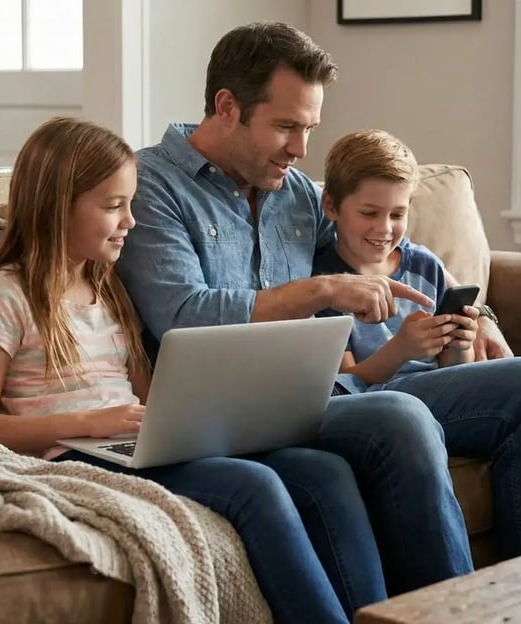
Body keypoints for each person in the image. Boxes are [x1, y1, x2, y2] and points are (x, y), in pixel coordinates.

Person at [0, 116, 391, 624]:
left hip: (130, 442)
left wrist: (198, 420)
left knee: (325, 471)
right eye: (114, 207)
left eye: (130, 205)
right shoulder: (4, 296)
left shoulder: (108, 292)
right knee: (255, 487)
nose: (130, 222)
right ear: (55, 207)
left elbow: (153, 396)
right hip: (72, 454)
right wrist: (87, 424)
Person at [115, 22, 473, 597]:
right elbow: (184, 315)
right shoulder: (151, 185)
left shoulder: (297, 192)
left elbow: (381, 241)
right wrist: (322, 291)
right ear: (227, 106)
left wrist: (480, 313)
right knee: (401, 417)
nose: (302, 149)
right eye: (285, 126)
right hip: (218, 418)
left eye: (308, 128)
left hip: (310, 401)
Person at [310, 129, 521, 558]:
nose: (385, 228)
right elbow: (344, 382)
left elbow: (456, 376)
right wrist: (400, 350)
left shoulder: (421, 264)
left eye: (398, 214)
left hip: (442, 398)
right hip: (380, 400)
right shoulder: (325, 281)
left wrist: (459, 343)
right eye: (370, 213)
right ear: (332, 207)